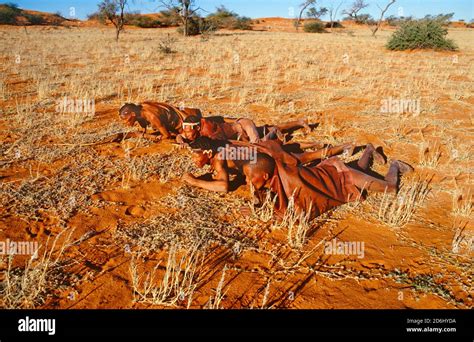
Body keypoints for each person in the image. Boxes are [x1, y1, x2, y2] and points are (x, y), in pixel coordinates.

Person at [238, 139, 413, 220]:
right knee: (360, 168)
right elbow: (263, 200)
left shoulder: (290, 179)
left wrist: (260, 213)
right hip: (331, 175)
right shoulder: (267, 180)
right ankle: (368, 150)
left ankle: (396, 165)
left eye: (249, 177)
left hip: (345, 178)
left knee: (391, 189)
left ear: (265, 176)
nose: (246, 181)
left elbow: (300, 216)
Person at [178, 115, 311, 145]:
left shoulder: (208, 130)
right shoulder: (191, 129)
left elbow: (223, 143)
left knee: (257, 144)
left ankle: (274, 133)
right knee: (269, 127)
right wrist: (182, 142)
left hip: (244, 126)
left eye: (189, 132)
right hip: (240, 129)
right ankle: (299, 122)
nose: (187, 135)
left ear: (196, 127)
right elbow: (180, 136)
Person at [118, 102, 202, 140]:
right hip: (179, 114)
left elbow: (167, 136)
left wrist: (146, 136)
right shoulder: (140, 108)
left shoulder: (152, 116)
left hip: (184, 121)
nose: (125, 122)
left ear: (133, 114)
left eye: (125, 119)